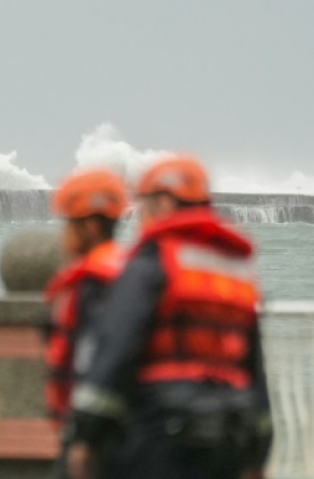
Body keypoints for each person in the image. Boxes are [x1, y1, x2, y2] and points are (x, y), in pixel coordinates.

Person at [66, 155, 272, 479]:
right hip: (232, 435)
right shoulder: (238, 273)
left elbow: (116, 350)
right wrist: (258, 454)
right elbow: (255, 371)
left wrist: (85, 437)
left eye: (144, 204)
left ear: (164, 203)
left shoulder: (153, 262)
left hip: (163, 434)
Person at [43, 168, 128, 478]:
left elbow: (101, 360)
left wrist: (85, 438)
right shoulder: (127, 272)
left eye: (70, 222)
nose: (64, 232)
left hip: (95, 437)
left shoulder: (96, 284)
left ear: (91, 226)